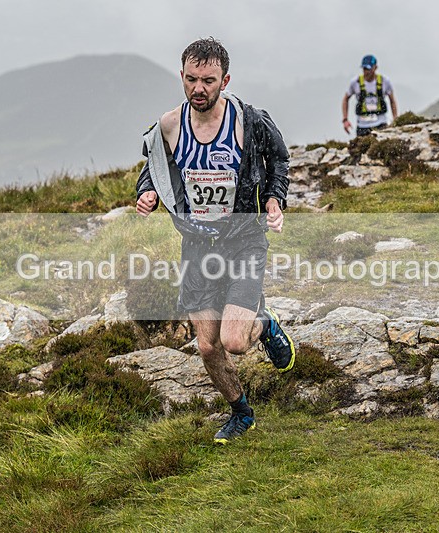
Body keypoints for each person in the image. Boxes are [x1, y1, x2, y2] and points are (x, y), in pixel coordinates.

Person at [135, 37, 296, 444]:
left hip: (243, 239)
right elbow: (153, 165)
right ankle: (241, 413)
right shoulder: (169, 126)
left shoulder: (249, 121)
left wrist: (276, 198)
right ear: (182, 77)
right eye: (191, 79)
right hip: (197, 247)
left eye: (208, 80)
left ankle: (265, 324)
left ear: (225, 79)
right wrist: (147, 192)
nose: (198, 89)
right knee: (207, 348)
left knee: (234, 341)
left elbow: (279, 158)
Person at [342, 54, 399, 136]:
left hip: (381, 124)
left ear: (375, 68)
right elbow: (345, 99)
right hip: (362, 126)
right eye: (364, 68)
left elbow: (392, 101)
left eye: (368, 68)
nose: (366, 71)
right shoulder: (355, 82)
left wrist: (395, 119)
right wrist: (345, 120)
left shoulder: (384, 81)